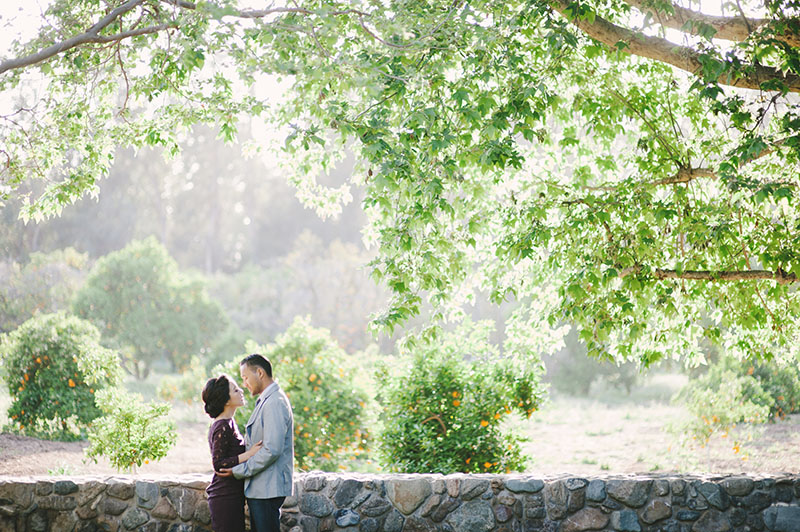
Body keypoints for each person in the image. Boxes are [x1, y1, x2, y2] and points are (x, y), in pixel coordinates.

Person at [219, 354, 294, 532]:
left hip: (267, 489)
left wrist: (239, 471)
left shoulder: (274, 402)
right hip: (261, 487)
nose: (244, 383)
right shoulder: (267, 400)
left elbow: (272, 450)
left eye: (245, 377)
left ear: (259, 373)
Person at [202, 374, 263, 532]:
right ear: (226, 400)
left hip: (232, 495)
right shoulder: (222, 425)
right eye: (236, 390)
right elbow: (219, 464)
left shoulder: (229, 422)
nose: (241, 391)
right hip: (224, 496)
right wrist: (250, 454)